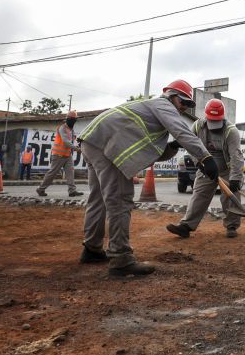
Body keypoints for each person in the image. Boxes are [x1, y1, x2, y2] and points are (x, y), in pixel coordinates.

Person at [77, 80, 218, 277]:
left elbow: (152, 152)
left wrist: (173, 147)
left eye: (188, 105)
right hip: (105, 146)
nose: (184, 107)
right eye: (183, 102)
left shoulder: (151, 113)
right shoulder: (162, 105)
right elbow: (182, 131)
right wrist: (205, 157)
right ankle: (121, 258)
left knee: (98, 198)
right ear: (172, 96)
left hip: (93, 141)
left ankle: (92, 248)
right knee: (120, 199)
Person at [166, 98, 244, 239]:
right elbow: (189, 144)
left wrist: (235, 179)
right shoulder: (197, 126)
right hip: (206, 166)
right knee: (199, 195)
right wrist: (199, 164)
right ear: (206, 117)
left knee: (230, 197)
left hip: (226, 169)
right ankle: (187, 226)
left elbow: (236, 157)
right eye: (211, 121)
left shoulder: (231, 131)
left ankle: (231, 226)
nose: (214, 125)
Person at [36, 110, 83, 197]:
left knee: (70, 172)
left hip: (67, 155)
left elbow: (72, 141)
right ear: (68, 119)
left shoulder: (71, 130)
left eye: (75, 119)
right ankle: (41, 189)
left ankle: (72, 190)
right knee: (52, 173)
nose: (74, 121)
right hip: (58, 155)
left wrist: (79, 144)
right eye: (72, 119)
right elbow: (65, 142)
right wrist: (77, 149)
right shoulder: (62, 128)